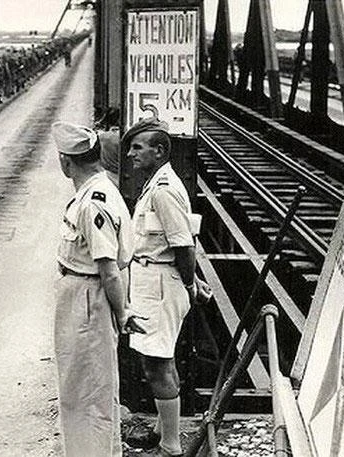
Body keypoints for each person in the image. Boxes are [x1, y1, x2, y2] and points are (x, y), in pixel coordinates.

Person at [52, 121, 145, 457]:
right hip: (85, 296)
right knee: (89, 388)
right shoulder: (101, 189)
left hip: (88, 299)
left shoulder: (93, 202)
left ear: (66, 162)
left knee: (86, 391)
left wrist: (122, 314)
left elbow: (108, 270)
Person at [123, 118, 201, 457]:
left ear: (160, 150)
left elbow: (183, 245)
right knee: (155, 359)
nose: (130, 154)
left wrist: (189, 283)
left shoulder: (165, 190)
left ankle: (171, 445)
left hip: (159, 284)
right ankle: (161, 428)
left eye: (138, 147)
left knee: (158, 364)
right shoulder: (156, 183)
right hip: (152, 281)